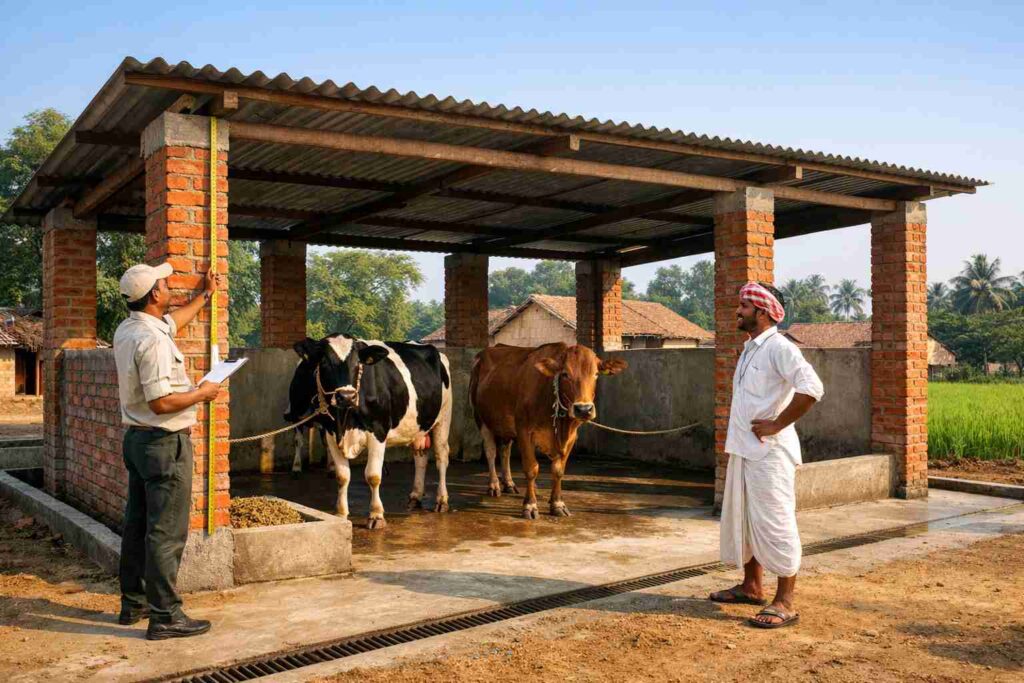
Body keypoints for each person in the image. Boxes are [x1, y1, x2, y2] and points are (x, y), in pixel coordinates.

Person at [113, 262, 222, 640]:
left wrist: (204, 296)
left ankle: (134, 603)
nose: (168, 283)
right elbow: (161, 402)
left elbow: (174, 321)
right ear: (155, 294)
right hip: (163, 442)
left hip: (137, 441)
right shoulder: (153, 341)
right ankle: (165, 616)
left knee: (138, 523)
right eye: (164, 282)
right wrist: (202, 393)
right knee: (166, 531)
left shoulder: (131, 328)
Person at [709, 282, 824, 629]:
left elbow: (812, 388)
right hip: (744, 451)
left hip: (770, 454)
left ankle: (786, 600)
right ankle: (751, 585)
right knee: (745, 520)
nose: (738, 311)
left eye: (744, 305)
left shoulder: (779, 347)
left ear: (762, 312)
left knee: (776, 523)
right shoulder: (749, 349)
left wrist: (776, 424)